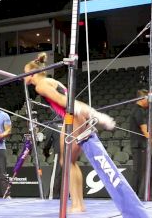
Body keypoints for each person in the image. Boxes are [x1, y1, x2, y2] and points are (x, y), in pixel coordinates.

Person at [24, 52, 115, 213]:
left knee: (66, 163)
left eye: (25, 73)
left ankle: (77, 205)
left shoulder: (41, 85)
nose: (23, 77)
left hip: (72, 118)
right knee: (69, 163)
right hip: (75, 117)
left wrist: (85, 111)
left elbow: (63, 101)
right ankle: (79, 204)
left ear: (34, 73)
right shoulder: (51, 81)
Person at [129, 89, 152, 200]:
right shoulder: (137, 111)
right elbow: (145, 131)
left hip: (144, 146)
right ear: (142, 99)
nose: (149, 101)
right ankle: (132, 197)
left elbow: (146, 131)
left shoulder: (142, 111)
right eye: (147, 98)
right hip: (139, 147)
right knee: (138, 173)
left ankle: (146, 195)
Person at [43, 122, 63, 199]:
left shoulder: (52, 126)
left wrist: (46, 152)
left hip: (60, 152)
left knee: (57, 174)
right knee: (68, 173)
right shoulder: (69, 123)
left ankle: (54, 195)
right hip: (71, 152)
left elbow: (48, 140)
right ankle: (69, 195)